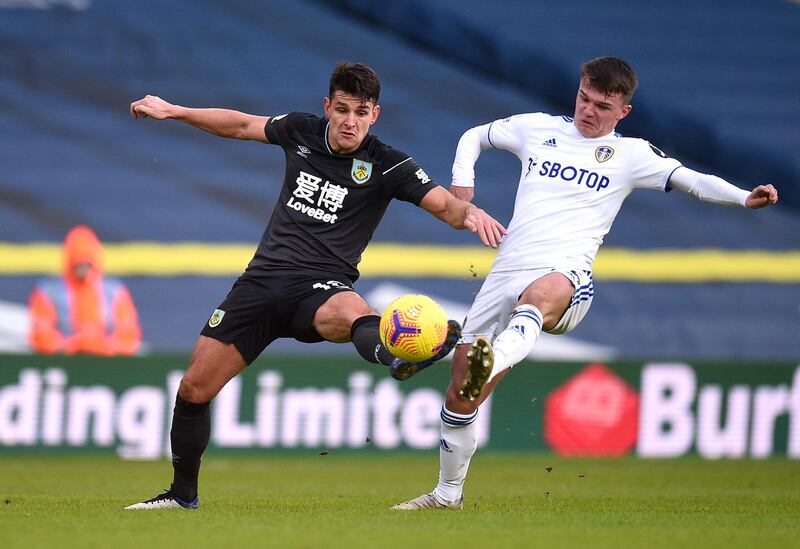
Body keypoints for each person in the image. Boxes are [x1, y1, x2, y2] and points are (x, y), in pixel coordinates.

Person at [392, 56, 779, 510]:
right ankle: (447, 494)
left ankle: (490, 357)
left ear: (623, 112)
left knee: (537, 299)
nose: (588, 110)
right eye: (583, 97)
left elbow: (692, 180)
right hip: (507, 270)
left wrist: (742, 198)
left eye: (601, 105)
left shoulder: (631, 155)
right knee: (463, 393)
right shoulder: (537, 128)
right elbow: (474, 136)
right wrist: (463, 185)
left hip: (568, 279)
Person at [124, 62, 506, 510]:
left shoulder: (387, 163)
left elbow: (445, 206)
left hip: (322, 286)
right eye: (342, 109)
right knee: (193, 388)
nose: (350, 121)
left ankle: (400, 353)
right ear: (327, 107)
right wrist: (176, 110)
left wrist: (470, 214)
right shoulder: (301, 131)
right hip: (260, 284)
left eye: (360, 112)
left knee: (354, 314)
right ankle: (181, 496)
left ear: (374, 115)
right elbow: (243, 125)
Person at [28, 225, 142, 356]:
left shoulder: (114, 291)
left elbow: (128, 332)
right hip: (65, 363)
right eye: (78, 264)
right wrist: (72, 345)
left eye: (87, 264)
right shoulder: (49, 291)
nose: (82, 269)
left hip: (108, 364)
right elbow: (41, 333)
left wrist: (104, 345)